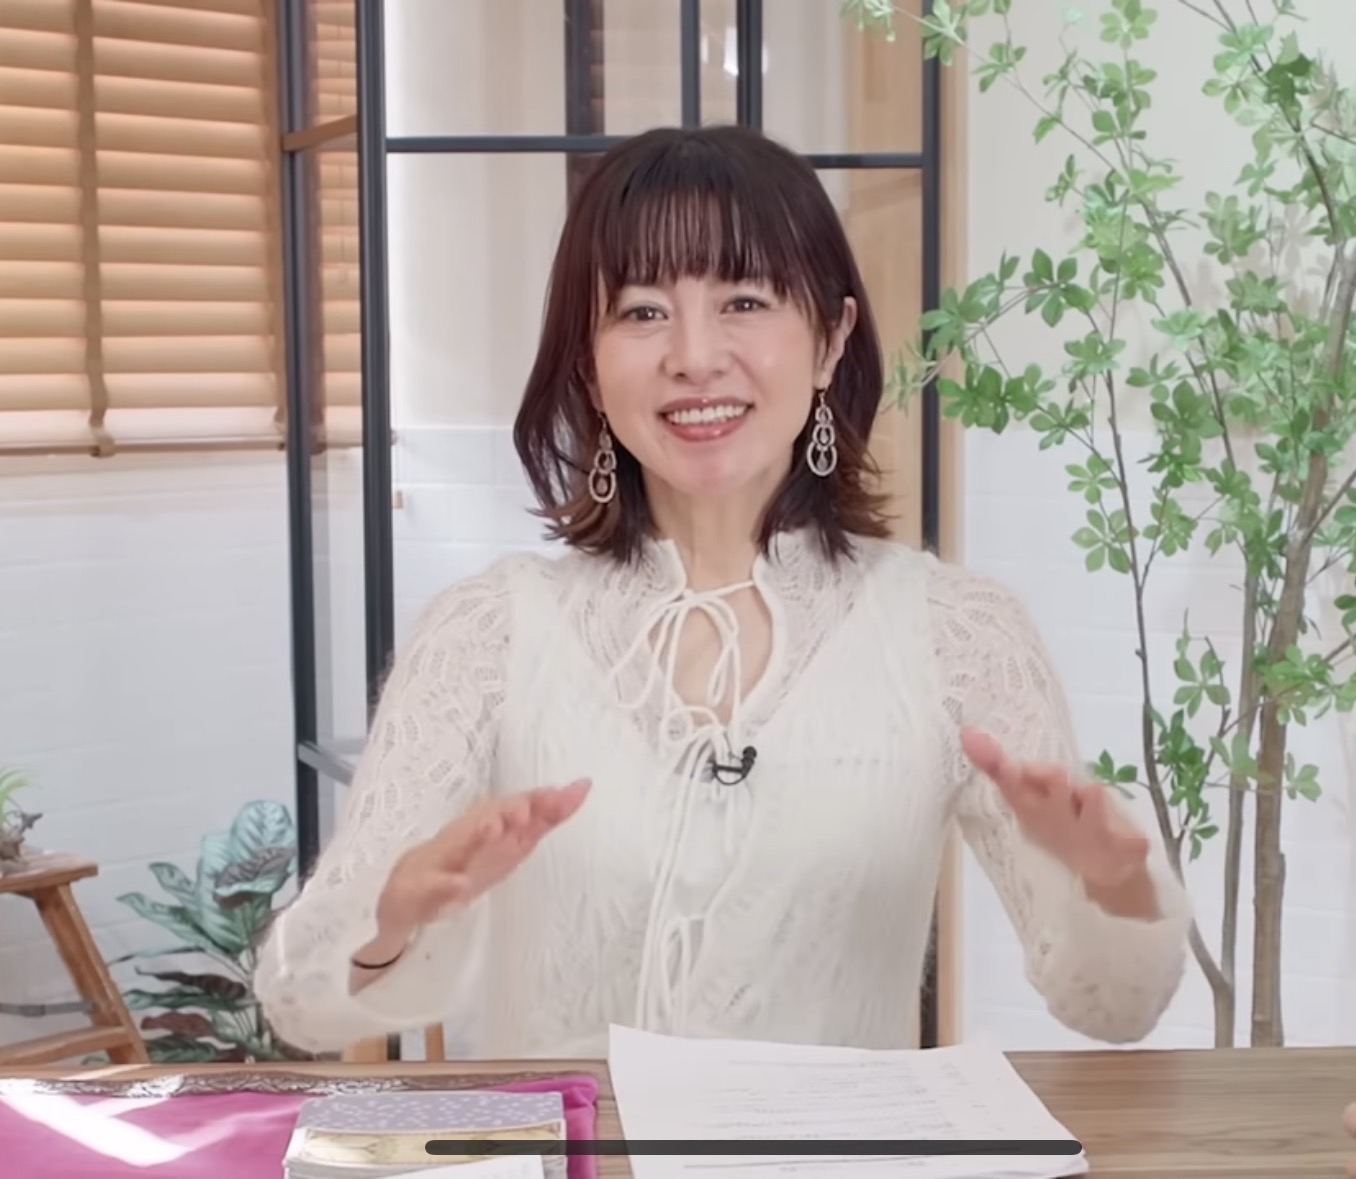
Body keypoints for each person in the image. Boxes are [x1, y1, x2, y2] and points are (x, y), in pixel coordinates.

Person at [254, 124, 1192, 1059]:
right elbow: (300, 1006)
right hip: (580, 1143)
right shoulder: (486, 632)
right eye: (642, 311)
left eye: (744, 300)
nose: (695, 356)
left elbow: (1114, 1009)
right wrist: (388, 922)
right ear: (587, 364)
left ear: (830, 340)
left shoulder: (958, 633)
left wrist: (1117, 884)